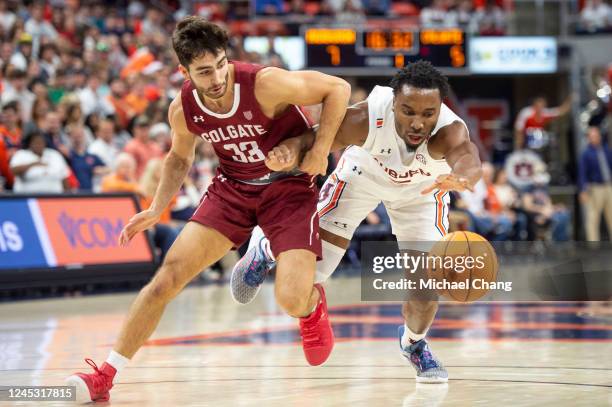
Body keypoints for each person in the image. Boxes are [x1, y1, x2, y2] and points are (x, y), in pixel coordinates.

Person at [67, 16, 350, 403]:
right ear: (184, 72)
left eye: (220, 65)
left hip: (287, 189)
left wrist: (319, 151)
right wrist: (155, 208)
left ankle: (310, 303)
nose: (217, 77)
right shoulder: (182, 109)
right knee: (167, 277)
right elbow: (178, 158)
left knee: (289, 298)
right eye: (204, 71)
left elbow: (338, 88)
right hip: (232, 188)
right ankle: (106, 373)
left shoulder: (264, 83)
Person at [230, 61, 482, 383]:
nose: (418, 123)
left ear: (439, 109)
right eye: (408, 111)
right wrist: (287, 152)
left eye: (427, 114)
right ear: (393, 105)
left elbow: (468, 158)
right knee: (315, 273)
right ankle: (266, 247)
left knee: (425, 291)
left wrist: (462, 177)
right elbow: (314, 139)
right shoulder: (368, 117)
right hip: (363, 176)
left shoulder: (450, 130)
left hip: (422, 193)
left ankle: (414, 345)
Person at [578, 126, 612, 241]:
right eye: (592, 136)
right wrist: (583, 190)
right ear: (589, 138)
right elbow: (582, 173)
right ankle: (593, 246)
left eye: (597, 136)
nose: (596, 138)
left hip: (608, 186)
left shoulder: (606, 150)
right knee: (593, 218)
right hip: (595, 187)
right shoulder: (586, 154)